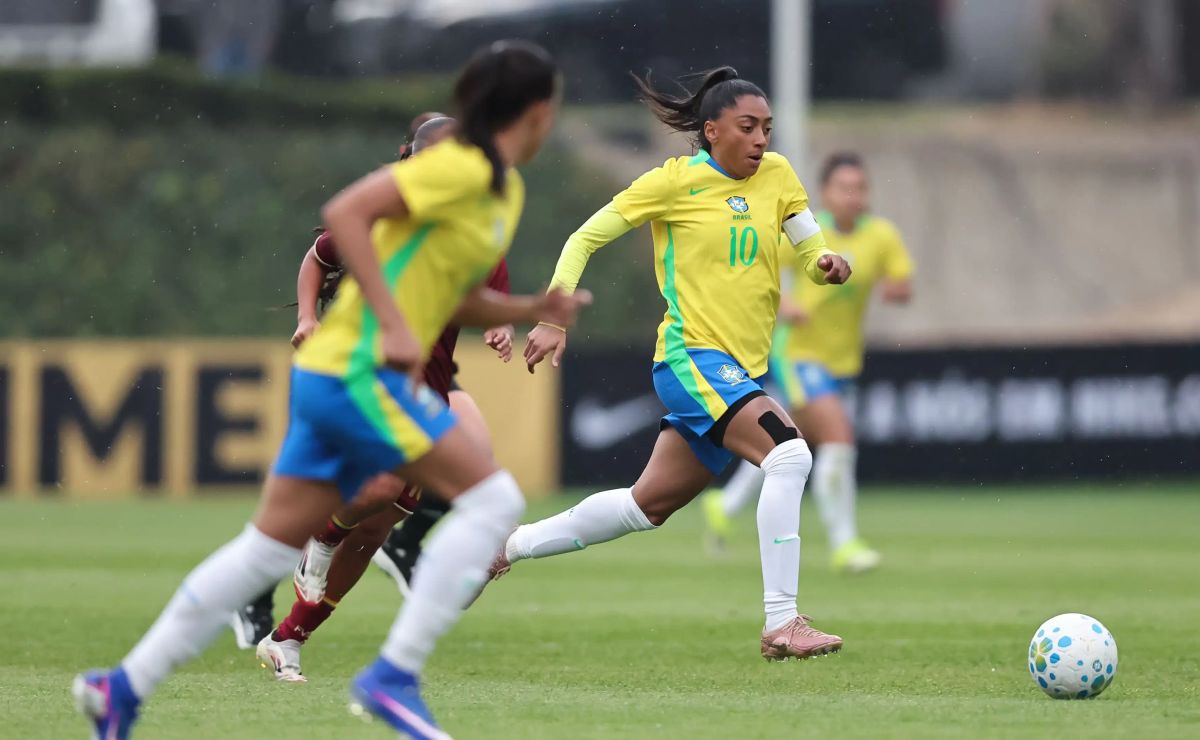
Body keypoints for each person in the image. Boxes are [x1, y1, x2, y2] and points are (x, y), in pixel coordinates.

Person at [74, 40, 583, 740]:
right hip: (358, 371)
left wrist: (530, 310)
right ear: (535, 110)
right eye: (552, 105)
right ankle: (392, 677)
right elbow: (344, 214)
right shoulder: (458, 167)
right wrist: (393, 320)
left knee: (264, 550)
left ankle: (120, 687)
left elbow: (454, 297)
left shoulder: (502, 187)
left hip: (340, 376)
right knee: (491, 500)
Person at [478, 66, 852, 662]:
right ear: (711, 131)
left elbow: (809, 250)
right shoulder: (673, 182)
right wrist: (552, 317)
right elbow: (583, 239)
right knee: (790, 453)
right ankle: (782, 622)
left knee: (643, 506)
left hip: (739, 370)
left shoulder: (779, 176)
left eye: (767, 128)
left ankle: (507, 546)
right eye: (748, 127)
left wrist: (827, 264)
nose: (761, 140)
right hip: (691, 357)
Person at [229, 114, 512, 653]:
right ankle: (270, 575)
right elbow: (319, 255)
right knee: (368, 493)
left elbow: (488, 287)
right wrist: (307, 318)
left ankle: (289, 636)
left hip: (424, 374)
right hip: (356, 370)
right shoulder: (386, 212)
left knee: (384, 520)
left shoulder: (473, 220)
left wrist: (501, 323)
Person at [702, 152, 914, 574]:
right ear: (826, 193)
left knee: (786, 442)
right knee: (837, 437)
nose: (854, 197)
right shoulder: (805, 231)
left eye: (860, 189)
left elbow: (902, 282)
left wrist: (895, 290)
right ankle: (844, 543)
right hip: (796, 352)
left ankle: (724, 503)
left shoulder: (881, 236)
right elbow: (755, 274)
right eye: (844, 188)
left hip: (843, 361)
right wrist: (785, 304)